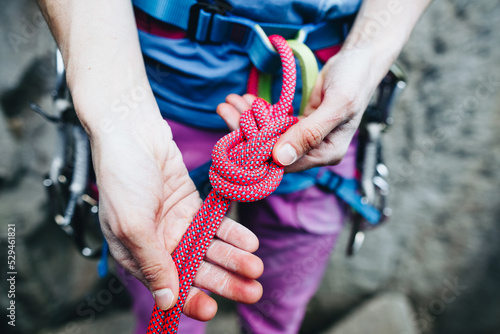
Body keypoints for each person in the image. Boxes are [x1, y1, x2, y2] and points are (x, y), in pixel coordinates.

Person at [38, 0, 431, 333]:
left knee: (280, 306)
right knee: (166, 294)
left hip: (317, 112)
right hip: (152, 107)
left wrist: (368, 53)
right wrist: (117, 120)